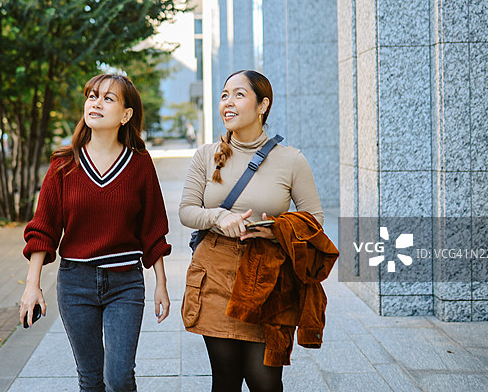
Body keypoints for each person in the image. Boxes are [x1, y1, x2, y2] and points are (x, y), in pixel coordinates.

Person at [20, 73, 172, 392]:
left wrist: (161, 283)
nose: (96, 103)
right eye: (92, 96)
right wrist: (31, 286)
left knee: (119, 378)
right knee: (90, 380)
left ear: (126, 114)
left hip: (125, 282)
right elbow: (43, 228)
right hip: (75, 283)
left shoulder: (140, 163)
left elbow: (153, 227)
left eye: (107, 98)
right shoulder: (63, 165)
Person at [179, 70, 325, 392]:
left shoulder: (291, 160)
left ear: (263, 105)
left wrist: (273, 230)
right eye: (224, 95)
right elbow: (186, 211)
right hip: (215, 272)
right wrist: (219, 217)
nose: (228, 103)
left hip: (268, 279)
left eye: (239, 95)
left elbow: (314, 219)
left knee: (265, 381)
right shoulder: (206, 155)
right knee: (226, 380)